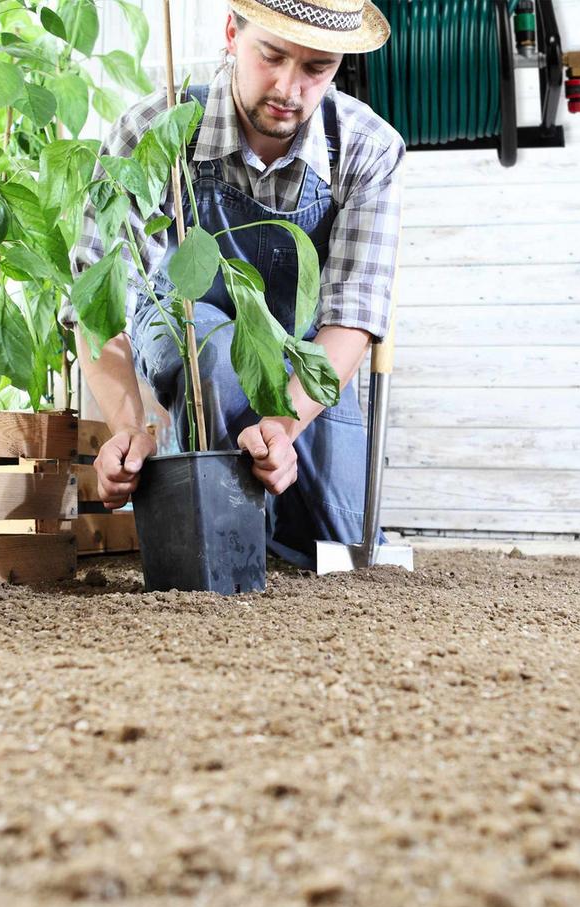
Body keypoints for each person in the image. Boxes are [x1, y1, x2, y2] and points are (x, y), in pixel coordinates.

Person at [66, 0, 404, 569]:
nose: (289, 88)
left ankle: (227, 504)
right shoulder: (155, 131)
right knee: (219, 356)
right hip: (185, 327)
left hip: (301, 354)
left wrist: (282, 426)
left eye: (315, 69)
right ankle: (210, 546)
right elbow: (96, 302)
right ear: (232, 34)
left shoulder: (368, 148)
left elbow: (354, 315)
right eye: (271, 56)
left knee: (337, 544)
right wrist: (128, 427)